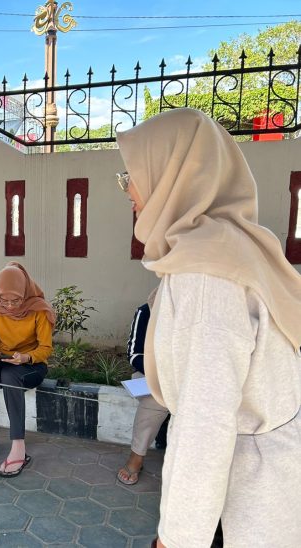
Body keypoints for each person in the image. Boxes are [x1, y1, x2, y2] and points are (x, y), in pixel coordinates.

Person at [116, 107, 301, 548]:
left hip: (244, 489)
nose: (129, 192)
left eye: (131, 177)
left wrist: (176, 539)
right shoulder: (233, 244)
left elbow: (205, 424)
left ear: (171, 177)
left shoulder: (205, 275)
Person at [0, 262, 54, 477]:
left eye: (15, 300)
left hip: (31, 364)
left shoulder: (39, 309)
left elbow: (45, 348)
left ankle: (18, 447)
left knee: (9, 376)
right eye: (3, 300)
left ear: (24, 292)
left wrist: (26, 356)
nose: (9, 306)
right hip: (1, 360)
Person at [116, 301, 170, 485]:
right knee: (155, 398)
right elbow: (134, 354)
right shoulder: (148, 310)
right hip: (155, 374)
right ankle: (136, 457)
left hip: (191, 378)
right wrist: (162, 374)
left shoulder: (202, 313)